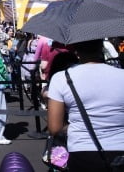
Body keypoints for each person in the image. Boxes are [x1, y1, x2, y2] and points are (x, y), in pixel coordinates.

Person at [48, 39, 124, 171]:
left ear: (76, 50)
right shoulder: (121, 75)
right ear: (101, 47)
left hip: (81, 150)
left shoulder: (61, 78)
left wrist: (75, 125)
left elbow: (55, 128)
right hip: (120, 150)